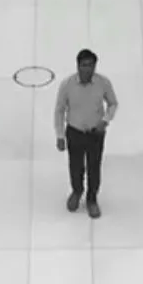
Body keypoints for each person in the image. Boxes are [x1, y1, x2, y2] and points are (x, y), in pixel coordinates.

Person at [54, 49, 118, 219]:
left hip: (95, 133)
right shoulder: (67, 85)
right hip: (74, 132)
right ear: (78, 66)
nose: (87, 69)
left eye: (90, 65)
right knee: (75, 166)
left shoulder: (103, 83)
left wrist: (105, 120)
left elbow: (112, 103)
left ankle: (92, 199)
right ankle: (77, 191)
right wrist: (60, 135)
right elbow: (59, 110)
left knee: (94, 167)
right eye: (84, 65)